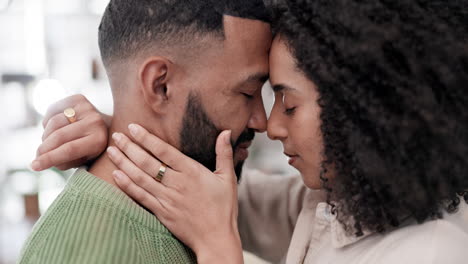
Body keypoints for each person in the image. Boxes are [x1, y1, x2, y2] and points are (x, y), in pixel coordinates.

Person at [34, 0, 468, 263]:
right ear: (160, 84)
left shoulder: (434, 254)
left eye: (288, 103)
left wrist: (221, 252)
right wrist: (114, 129)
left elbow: (217, 212)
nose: (268, 124)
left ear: (362, 109)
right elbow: (207, 196)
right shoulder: (340, 202)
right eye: (250, 93)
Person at [20, 0, 272, 263]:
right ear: (160, 86)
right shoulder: (84, 252)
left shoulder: (192, 211)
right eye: (248, 93)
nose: (262, 122)